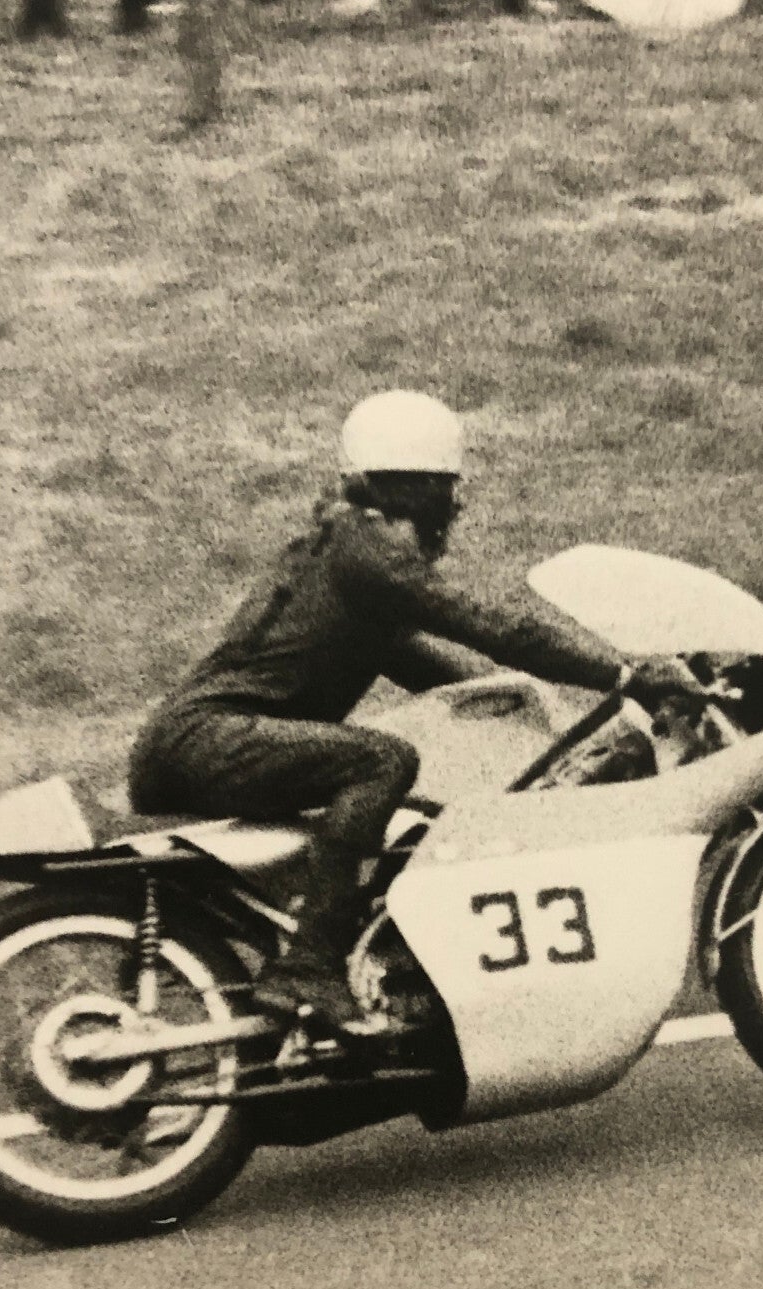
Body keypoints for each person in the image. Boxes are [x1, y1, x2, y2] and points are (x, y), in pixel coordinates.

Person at [129, 390, 700, 1029]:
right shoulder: (367, 550)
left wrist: (544, 718)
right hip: (204, 739)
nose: (454, 508)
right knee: (383, 761)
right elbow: (493, 626)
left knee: (408, 805)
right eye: (446, 491)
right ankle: (310, 966)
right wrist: (626, 674)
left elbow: (462, 678)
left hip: (197, 741)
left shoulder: (349, 566)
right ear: (420, 489)